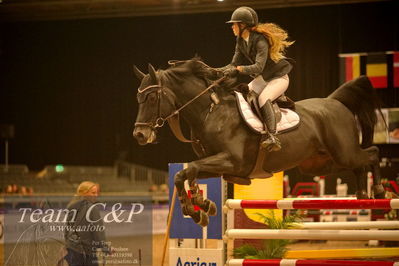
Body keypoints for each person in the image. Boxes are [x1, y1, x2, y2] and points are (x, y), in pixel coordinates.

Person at [221, 6, 294, 151]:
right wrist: (217, 71)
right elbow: (233, 64)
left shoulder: (260, 40)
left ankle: (273, 136)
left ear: (243, 26)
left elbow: (258, 67)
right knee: (244, 95)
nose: (232, 27)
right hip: (263, 79)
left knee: (262, 99)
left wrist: (241, 69)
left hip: (278, 78)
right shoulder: (241, 41)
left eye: (234, 24)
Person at [63, 181, 111, 266]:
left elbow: (67, 229)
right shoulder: (92, 208)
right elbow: (98, 232)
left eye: (97, 192)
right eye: (93, 192)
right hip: (87, 251)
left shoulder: (71, 206)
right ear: (84, 193)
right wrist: (105, 248)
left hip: (72, 249)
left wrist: (67, 244)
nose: (96, 195)